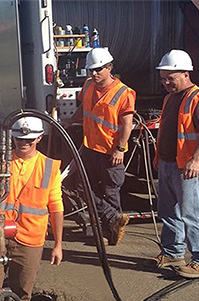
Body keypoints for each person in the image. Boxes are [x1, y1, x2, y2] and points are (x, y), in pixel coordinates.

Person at [153, 50, 199, 278]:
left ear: (185, 73)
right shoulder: (170, 98)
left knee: (191, 214)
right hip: (169, 163)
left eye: (170, 77)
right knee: (168, 212)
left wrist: (195, 160)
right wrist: (159, 157)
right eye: (163, 78)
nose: (166, 83)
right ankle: (173, 253)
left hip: (188, 167)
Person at [0, 117, 63, 301]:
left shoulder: (49, 168)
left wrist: (58, 245)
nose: (23, 143)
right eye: (18, 139)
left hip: (30, 239)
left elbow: (56, 206)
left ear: (39, 138)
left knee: (23, 292)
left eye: (29, 140)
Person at [66, 47, 135, 245]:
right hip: (90, 147)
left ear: (109, 68)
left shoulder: (123, 93)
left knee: (110, 191)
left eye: (98, 69)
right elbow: (83, 108)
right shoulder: (88, 86)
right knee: (81, 186)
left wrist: (120, 149)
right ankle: (113, 219)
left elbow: (126, 124)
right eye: (91, 70)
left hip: (110, 151)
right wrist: (70, 122)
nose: (94, 74)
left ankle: (110, 235)